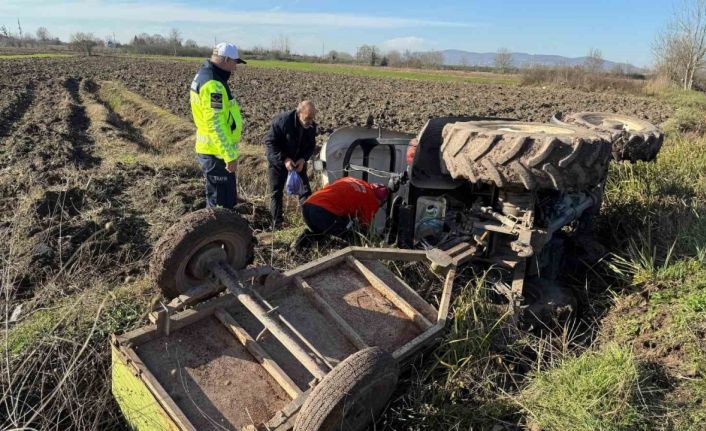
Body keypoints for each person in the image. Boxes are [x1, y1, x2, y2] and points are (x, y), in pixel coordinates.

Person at [190, 42, 246, 209]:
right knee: (220, 206)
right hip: (216, 153)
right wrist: (229, 155)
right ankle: (219, 235)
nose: (235, 68)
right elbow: (215, 123)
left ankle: (221, 233)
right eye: (234, 62)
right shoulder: (213, 84)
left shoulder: (206, 75)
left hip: (214, 151)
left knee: (224, 201)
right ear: (226, 59)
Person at [265, 101, 317, 227]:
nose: (310, 121)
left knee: (305, 192)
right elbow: (270, 144)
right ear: (299, 113)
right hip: (278, 163)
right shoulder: (282, 121)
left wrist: (303, 159)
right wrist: (284, 160)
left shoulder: (311, 126)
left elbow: (311, 145)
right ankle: (277, 224)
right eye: (307, 118)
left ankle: (310, 223)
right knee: (276, 192)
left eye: (312, 118)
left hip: (297, 164)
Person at [296, 177, 389, 248]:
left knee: (321, 234)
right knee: (350, 235)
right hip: (322, 212)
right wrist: (371, 242)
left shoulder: (354, 180)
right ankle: (353, 257)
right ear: (379, 201)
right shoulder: (372, 199)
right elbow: (364, 226)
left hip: (308, 206)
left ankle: (301, 244)